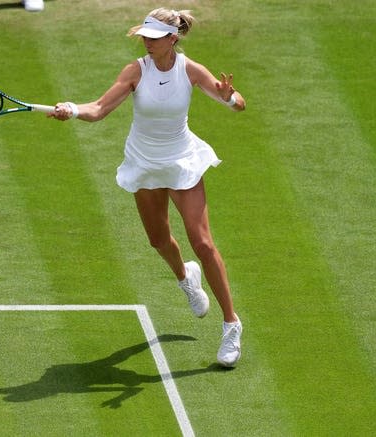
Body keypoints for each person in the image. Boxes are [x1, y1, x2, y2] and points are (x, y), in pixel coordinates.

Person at [49, 8, 245, 367]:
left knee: (202, 242)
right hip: (145, 161)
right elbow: (98, 109)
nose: (147, 41)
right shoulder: (135, 71)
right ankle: (186, 278)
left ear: (173, 39)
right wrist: (72, 110)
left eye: (154, 36)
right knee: (158, 240)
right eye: (145, 36)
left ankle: (231, 323)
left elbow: (238, 105)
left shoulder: (191, 70)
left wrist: (229, 97)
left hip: (182, 161)